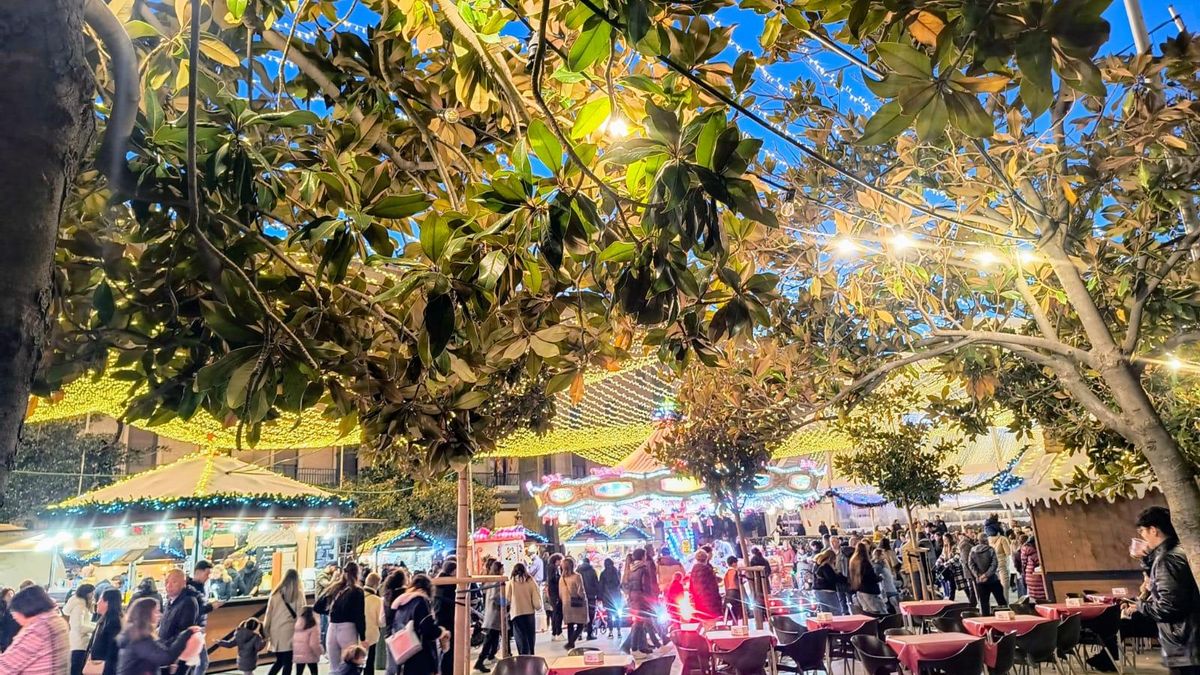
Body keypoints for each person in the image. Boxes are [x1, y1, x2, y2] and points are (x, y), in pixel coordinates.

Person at [1129, 506, 1200, 674]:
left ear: (1153, 530)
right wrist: (1146, 559)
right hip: (1189, 643)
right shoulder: (1181, 551)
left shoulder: (1167, 560)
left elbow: (1168, 608)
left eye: (1142, 531)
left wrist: (1139, 605)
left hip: (1184, 645)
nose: (1142, 536)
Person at [115, 597, 200, 675]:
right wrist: (186, 634)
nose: (160, 614)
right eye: (156, 611)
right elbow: (167, 657)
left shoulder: (137, 634)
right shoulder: (139, 639)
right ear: (146, 614)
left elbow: (158, 650)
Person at [0, 585, 70, 675]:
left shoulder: (37, 630)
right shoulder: (57, 620)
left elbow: (5, 668)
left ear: (25, 609)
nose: (14, 618)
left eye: (14, 614)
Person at [390, 574, 447, 675]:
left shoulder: (401, 602)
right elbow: (428, 629)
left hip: (403, 653)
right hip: (420, 656)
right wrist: (441, 631)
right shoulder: (421, 601)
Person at [314, 562, 367, 671]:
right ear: (357, 574)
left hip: (332, 628)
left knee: (334, 667)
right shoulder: (357, 591)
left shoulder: (335, 588)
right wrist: (363, 637)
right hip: (348, 629)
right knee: (348, 665)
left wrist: (332, 611)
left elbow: (317, 607)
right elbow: (359, 616)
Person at [263, 569, 305, 675]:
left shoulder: (275, 594)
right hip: (289, 632)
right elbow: (301, 615)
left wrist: (266, 632)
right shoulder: (298, 594)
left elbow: (268, 615)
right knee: (287, 663)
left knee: (279, 661)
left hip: (275, 632)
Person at [160, 569, 200, 675]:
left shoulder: (188, 601)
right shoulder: (170, 601)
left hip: (178, 656)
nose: (169, 585)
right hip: (167, 652)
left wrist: (166, 647)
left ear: (183, 583)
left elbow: (183, 632)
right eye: (167, 582)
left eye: (174, 582)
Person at [187, 562, 220, 675]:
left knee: (194, 662)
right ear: (198, 572)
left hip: (195, 629)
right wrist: (211, 606)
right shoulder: (193, 589)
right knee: (202, 662)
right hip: (194, 629)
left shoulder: (196, 587)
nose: (208, 577)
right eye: (206, 574)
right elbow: (195, 610)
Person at [619, 548, 654, 656]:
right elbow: (646, 586)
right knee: (638, 624)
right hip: (641, 598)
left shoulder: (631, 569)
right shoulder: (643, 569)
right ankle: (634, 648)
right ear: (643, 556)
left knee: (639, 623)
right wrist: (649, 599)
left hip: (633, 598)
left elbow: (626, 585)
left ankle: (640, 647)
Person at [474, 560, 504, 673]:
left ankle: (490, 656)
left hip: (492, 613)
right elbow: (495, 597)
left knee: (493, 637)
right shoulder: (496, 581)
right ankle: (480, 661)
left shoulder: (491, 580)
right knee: (490, 637)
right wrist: (506, 602)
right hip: (494, 613)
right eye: (502, 568)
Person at [506, 563, 540, 657]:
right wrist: (537, 606)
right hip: (529, 612)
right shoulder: (531, 581)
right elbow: (536, 596)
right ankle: (531, 654)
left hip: (516, 613)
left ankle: (523, 656)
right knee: (530, 635)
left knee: (520, 636)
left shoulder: (511, 583)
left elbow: (507, 599)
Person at [967, 536, 1006, 616]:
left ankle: (986, 618)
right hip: (993, 579)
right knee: (1001, 601)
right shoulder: (990, 549)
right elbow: (994, 564)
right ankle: (1004, 617)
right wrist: (986, 575)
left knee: (984, 604)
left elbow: (971, 564)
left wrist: (978, 575)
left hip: (980, 581)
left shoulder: (973, 550)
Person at [89, 589, 124, 675]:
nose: (97, 603)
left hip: (105, 669)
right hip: (99, 666)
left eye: (100, 600)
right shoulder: (104, 619)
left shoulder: (114, 622)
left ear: (107, 602)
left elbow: (113, 650)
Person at [431, 560, 457, 675]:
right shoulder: (450, 584)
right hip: (449, 619)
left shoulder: (439, 582)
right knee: (449, 650)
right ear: (453, 571)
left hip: (440, 619)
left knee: (444, 648)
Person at [65, 583, 97, 675]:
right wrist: (96, 628)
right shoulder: (79, 606)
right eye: (92, 593)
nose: (93, 596)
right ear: (87, 593)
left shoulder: (82, 605)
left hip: (79, 643)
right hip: (79, 644)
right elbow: (79, 627)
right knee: (77, 670)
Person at [559, 558, 588, 650]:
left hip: (566, 604)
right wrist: (584, 598)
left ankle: (570, 644)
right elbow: (580, 591)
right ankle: (571, 642)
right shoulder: (577, 576)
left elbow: (560, 593)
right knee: (581, 624)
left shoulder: (562, 578)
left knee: (570, 625)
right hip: (577, 603)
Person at [848, 542, 885, 613]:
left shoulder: (853, 561)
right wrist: (879, 578)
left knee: (866, 611)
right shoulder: (865, 562)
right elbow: (869, 577)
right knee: (877, 611)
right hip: (869, 590)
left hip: (859, 589)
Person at [688, 550, 722, 623]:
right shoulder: (707, 570)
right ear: (706, 559)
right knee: (712, 623)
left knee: (704, 621)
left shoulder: (693, 570)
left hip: (698, 602)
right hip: (710, 603)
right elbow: (714, 588)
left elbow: (691, 588)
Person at [811, 550, 846, 615]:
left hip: (817, 591)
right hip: (827, 591)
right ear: (830, 558)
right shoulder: (826, 566)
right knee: (836, 611)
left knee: (825, 613)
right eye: (834, 559)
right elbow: (832, 579)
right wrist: (841, 576)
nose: (835, 561)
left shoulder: (817, 565)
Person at [362, 573, 384, 675]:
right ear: (376, 585)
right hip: (371, 637)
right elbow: (381, 622)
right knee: (369, 663)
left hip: (356, 634)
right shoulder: (377, 600)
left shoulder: (357, 595)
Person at [987, 523, 1013, 603]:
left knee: (997, 585)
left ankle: (1000, 602)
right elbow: (1008, 552)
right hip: (1002, 563)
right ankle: (1005, 602)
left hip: (993, 564)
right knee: (1005, 584)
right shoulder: (1002, 539)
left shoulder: (988, 539)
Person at [292, 607, 322, 675]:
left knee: (298, 673)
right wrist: (319, 652)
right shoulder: (313, 625)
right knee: (314, 672)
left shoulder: (297, 625)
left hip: (298, 654)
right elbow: (314, 644)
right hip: (310, 654)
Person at [576, 556, 600, 641]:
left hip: (580, 596)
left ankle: (579, 634)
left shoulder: (577, 571)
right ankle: (589, 634)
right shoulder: (592, 571)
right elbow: (596, 583)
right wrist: (598, 595)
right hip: (591, 596)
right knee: (590, 615)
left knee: (580, 615)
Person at [598, 559, 622, 639]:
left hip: (607, 597)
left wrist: (599, 597)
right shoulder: (616, 572)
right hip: (617, 597)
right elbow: (619, 583)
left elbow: (601, 586)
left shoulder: (603, 574)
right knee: (618, 615)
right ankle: (619, 631)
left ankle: (610, 632)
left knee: (609, 616)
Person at [1018, 537, 1046, 601]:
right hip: (1037, 579)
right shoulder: (1036, 553)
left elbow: (1023, 564)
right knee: (1041, 598)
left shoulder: (1025, 551)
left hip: (1029, 576)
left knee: (1034, 597)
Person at [544, 554, 563, 642]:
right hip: (555, 593)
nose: (561, 562)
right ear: (556, 560)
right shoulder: (553, 568)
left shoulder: (550, 567)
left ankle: (554, 633)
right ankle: (558, 632)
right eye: (560, 560)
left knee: (555, 613)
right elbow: (553, 579)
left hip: (552, 593)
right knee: (558, 613)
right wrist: (560, 578)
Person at [722, 556, 743, 621]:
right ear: (733, 563)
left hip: (728, 594)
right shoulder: (734, 571)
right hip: (735, 593)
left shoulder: (726, 573)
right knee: (738, 611)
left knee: (730, 613)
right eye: (736, 563)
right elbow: (736, 583)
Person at [0, 587, 18, 651]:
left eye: (12, 594)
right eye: (8, 595)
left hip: (13, 638)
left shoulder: (16, 608)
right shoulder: (2, 610)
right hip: (4, 638)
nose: (11, 596)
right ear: (3, 597)